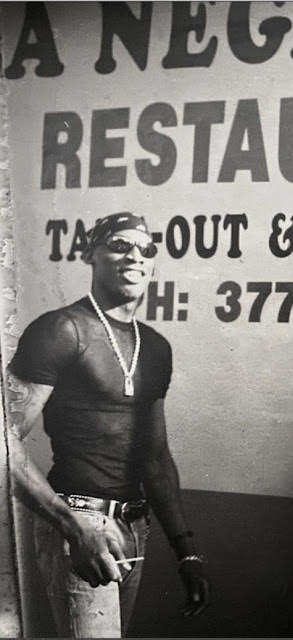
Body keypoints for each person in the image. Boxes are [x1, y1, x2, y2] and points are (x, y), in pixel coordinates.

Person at [6, 212, 210, 637]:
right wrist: (72, 527)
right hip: (79, 519)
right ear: (91, 254)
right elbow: (5, 441)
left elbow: (155, 458)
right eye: (119, 244)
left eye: (145, 249)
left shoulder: (154, 347)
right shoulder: (62, 329)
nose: (134, 256)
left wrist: (186, 551)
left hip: (134, 526)